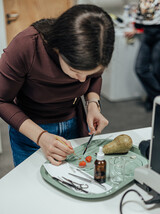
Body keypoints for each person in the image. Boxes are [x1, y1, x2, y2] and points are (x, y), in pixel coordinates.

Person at [0, 4, 115, 167]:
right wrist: (41, 137)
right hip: (30, 130)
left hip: (75, 124)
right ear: (58, 48)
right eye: (75, 71)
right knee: (31, 189)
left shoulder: (98, 48)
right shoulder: (27, 46)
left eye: (88, 74)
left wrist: (93, 104)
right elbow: (2, 101)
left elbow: (96, 77)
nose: (82, 80)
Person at [125, 0, 160, 111]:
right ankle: (156, 97)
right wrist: (135, 29)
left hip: (159, 33)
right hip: (147, 34)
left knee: (157, 71)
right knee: (140, 68)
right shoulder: (144, 1)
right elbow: (140, 18)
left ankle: (153, 100)